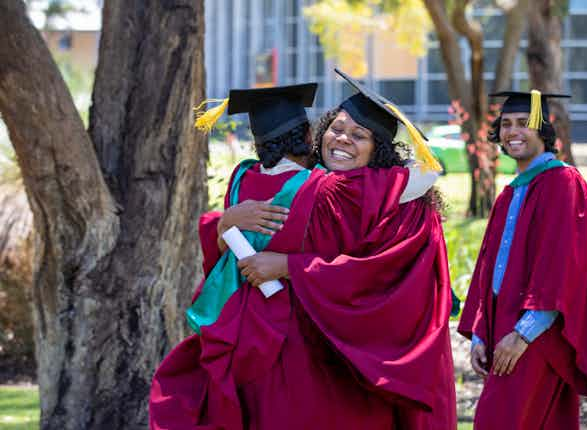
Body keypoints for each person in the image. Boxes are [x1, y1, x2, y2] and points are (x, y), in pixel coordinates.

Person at [149, 69, 455, 429]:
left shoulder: (384, 200)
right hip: (287, 349)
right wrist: (225, 224)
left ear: (379, 149)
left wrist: (288, 265)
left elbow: (379, 273)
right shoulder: (322, 185)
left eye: (359, 135)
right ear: (315, 133)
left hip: (338, 354)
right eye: (337, 129)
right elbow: (422, 175)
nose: (342, 139)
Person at [457, 90, 587, 430]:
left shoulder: (562, 182)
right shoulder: (511, 191)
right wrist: (482, 334)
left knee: (498, 420)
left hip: (536, 334)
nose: (513, 132)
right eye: (507, 124)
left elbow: (561, 266)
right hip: (503, 328)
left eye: (524, 124)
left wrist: (523, 335)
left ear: (544, 130)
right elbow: (488, 269)